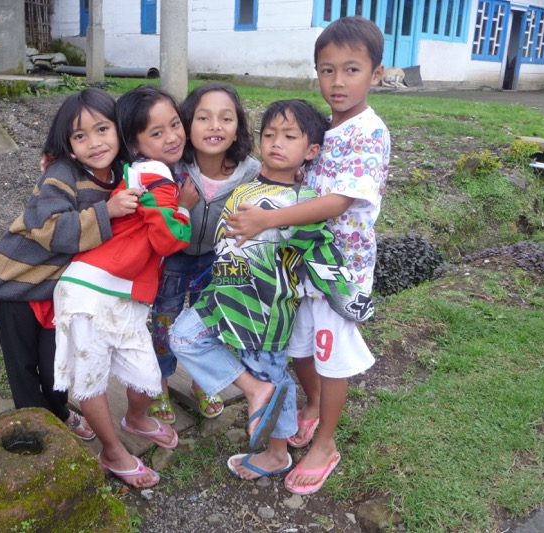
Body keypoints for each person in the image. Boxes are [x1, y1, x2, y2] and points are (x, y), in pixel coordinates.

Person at [225, 16, 389, 495]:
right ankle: (313, 406)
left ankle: (326, 445)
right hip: (300, 264)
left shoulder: (368, 132)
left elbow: (338, 202)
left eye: (352, 70)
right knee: (299, 347)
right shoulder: (324, 129)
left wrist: (267, 220)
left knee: (330, 354)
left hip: (340, 271)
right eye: (327, 70)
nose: (338, 81)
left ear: (376, 74)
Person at [169, 99, 373, 480]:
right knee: (182, 336)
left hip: (265, 316)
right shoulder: (244, 188)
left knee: (273, 378)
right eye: (269, 134)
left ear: (311, 150)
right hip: (221, 300)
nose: (277, 142)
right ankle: (253, 391)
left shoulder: (302, 204)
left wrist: (346, 295)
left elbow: (322, 251)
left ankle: (277, 453)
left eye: (290, 136)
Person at [53, 85, 191, 489]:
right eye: (157, 132)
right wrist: (185, 208)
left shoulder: (146, 172)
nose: (172, 137)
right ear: (135, 143)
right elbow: (168, 239)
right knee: (92, 377)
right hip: (91, 292)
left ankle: (136, 419)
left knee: (144, 369)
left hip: (123, 290)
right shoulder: (153, 172)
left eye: (175, 124)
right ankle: (113, 452)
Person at [0, 88, 140, 442]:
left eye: (103, 129)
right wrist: (107, 212)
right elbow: (49, 228)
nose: (94, 143)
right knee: (23, 366)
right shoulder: (62, 174)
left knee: (57, 362)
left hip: (58, 288)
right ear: (68, 145)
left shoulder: (123, 173)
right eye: (80, 136)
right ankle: (35, 433)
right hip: (17, 282)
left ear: (119, 130)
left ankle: (58, 411)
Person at [149, 83, 261, 423]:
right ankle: (159, 386)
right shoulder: (171, 166)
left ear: (237, 128)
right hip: (173, 260)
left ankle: (203, 383)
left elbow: (282, 181)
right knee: (164, 325)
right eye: (203, 118)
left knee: (210, 325)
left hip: (217, 260)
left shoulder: (251, 172)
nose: (215, 126)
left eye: (226, 118)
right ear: (186, 124)